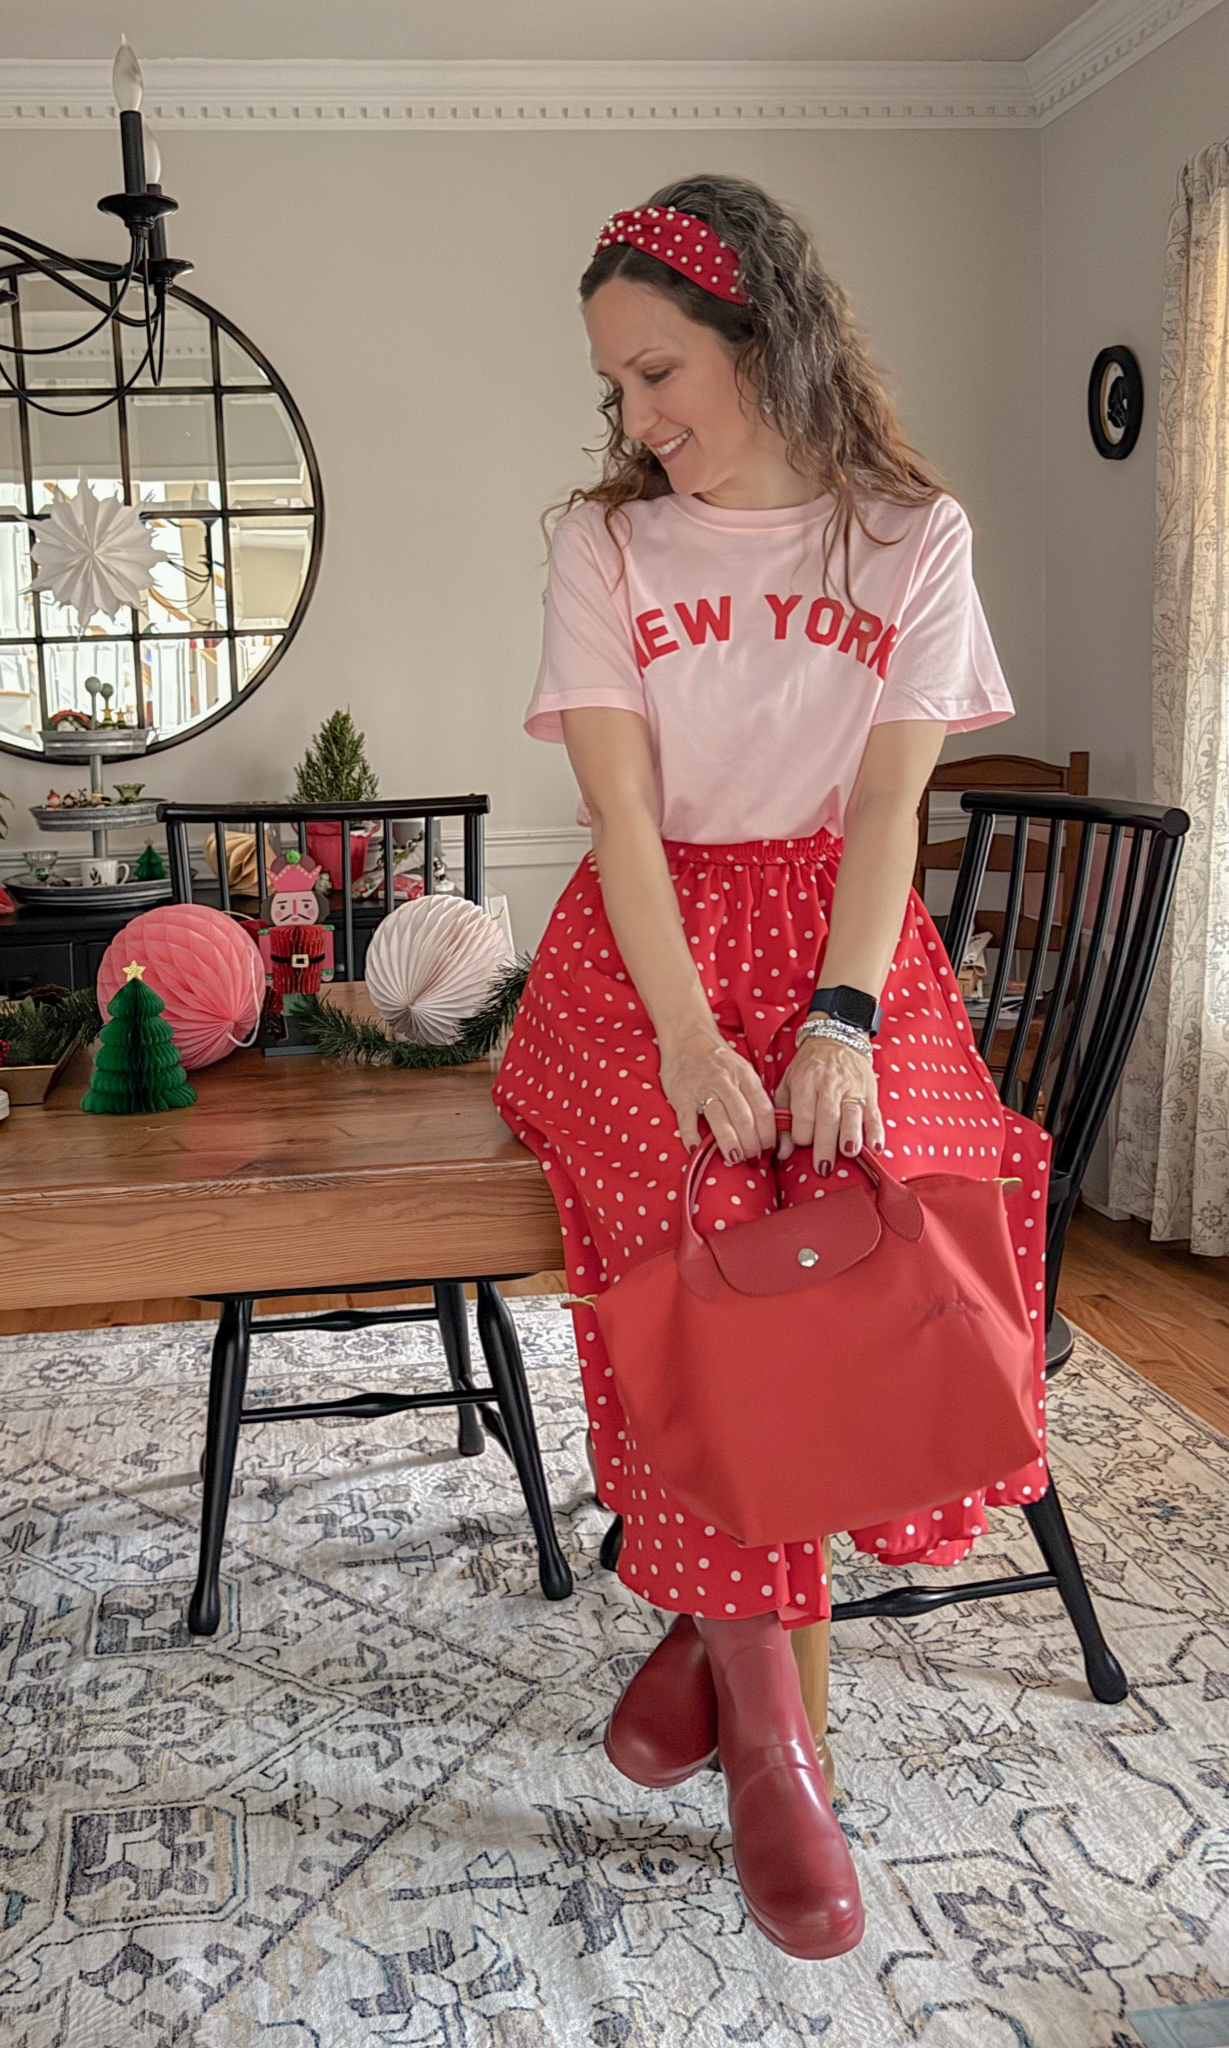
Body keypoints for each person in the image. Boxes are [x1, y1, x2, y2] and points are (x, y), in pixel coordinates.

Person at [493, 173, 1051, 1961]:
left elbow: (890, 799)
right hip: (638, 955)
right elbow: (624, 813)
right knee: (697, 1206)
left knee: (911, 1202)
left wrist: (844, 1020)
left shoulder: (910, 533)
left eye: (663, 375)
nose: (640, 424)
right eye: (620, 392)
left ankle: (703, 1615)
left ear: (765, 337)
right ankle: (773, 1751)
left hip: (837, 935)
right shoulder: (605, 545)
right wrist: (681, 1037)